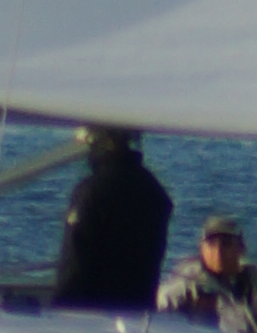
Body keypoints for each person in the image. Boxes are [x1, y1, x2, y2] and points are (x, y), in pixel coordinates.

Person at [50, 124, 172, 310]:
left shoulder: (91, 191)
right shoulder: (154, 191)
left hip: (93, 310)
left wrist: (60, 307)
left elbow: (75, 259)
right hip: (139, 308)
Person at [155, 214, 257, 333]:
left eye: (226, 243)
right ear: (202, 248)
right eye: (211, 243)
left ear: (241, 249)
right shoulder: (187, 286)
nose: (218, 251)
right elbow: (154, 314)